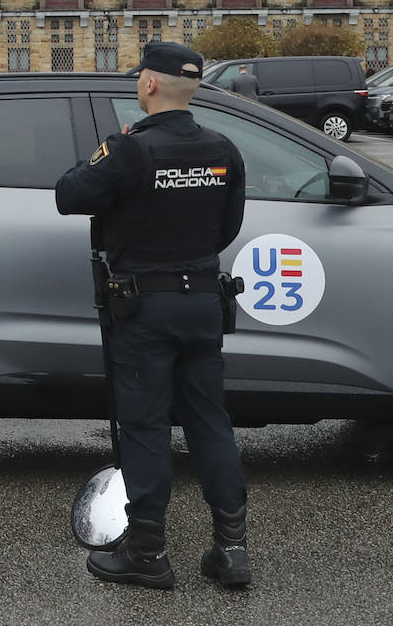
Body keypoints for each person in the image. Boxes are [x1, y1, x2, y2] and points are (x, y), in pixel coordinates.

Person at [55, 41, 251, 590]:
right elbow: (226, 228)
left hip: (144, 307)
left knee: (145, 427)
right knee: (211, 422)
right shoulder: (224, 149)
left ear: (147, 85)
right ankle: (231, 550)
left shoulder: (128, 150)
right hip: (202, 302)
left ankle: (147, 554)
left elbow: (68, 195)